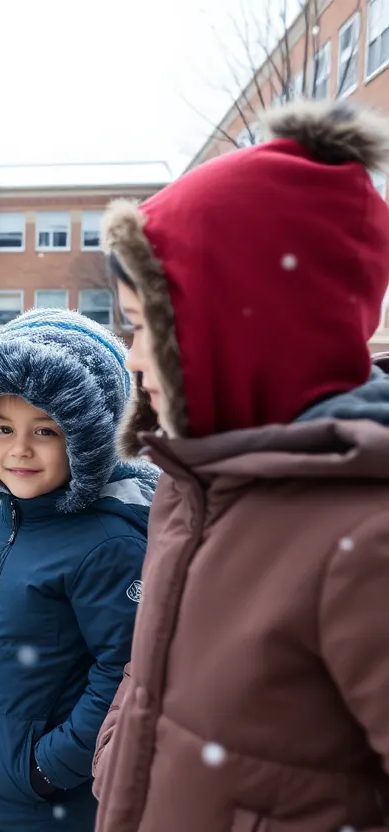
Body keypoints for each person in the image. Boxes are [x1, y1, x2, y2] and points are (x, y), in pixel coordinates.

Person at [92, 100, 389, 832]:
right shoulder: (196, 487)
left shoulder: (365, 541)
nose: (130, 357)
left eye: (145, 326)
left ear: (242, 324)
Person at [0, 309, 157, 832]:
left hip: (49, 796)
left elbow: (127, 670)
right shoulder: (12, 513)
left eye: (46, 431)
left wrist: (50, 766)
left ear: (87, 437)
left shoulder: (107, 542)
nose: (19, 450)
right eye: (4, 428)